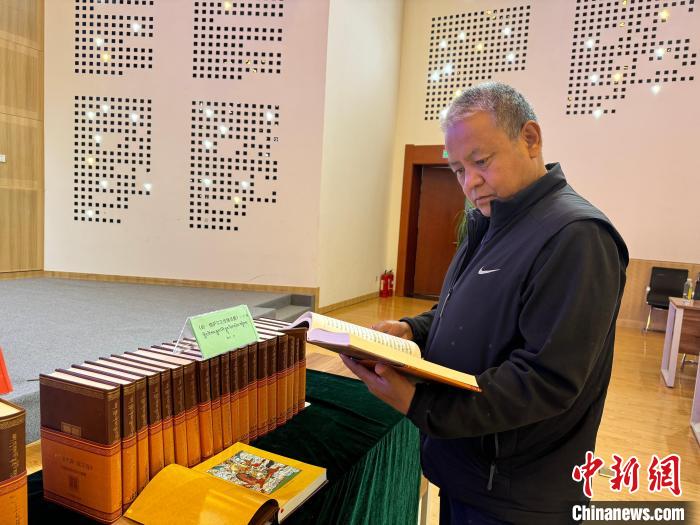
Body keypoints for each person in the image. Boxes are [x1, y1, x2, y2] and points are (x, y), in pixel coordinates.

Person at [340, 82, 629, 524]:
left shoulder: (576, 236)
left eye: (481, 161)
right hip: (469, 472)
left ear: (530, 139)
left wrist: (421, 404)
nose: (470, 182)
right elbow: (465, 311)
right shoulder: (492, 223)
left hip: (518, 496)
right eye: (458, 169)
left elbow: (546, 380)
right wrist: (414, 330)